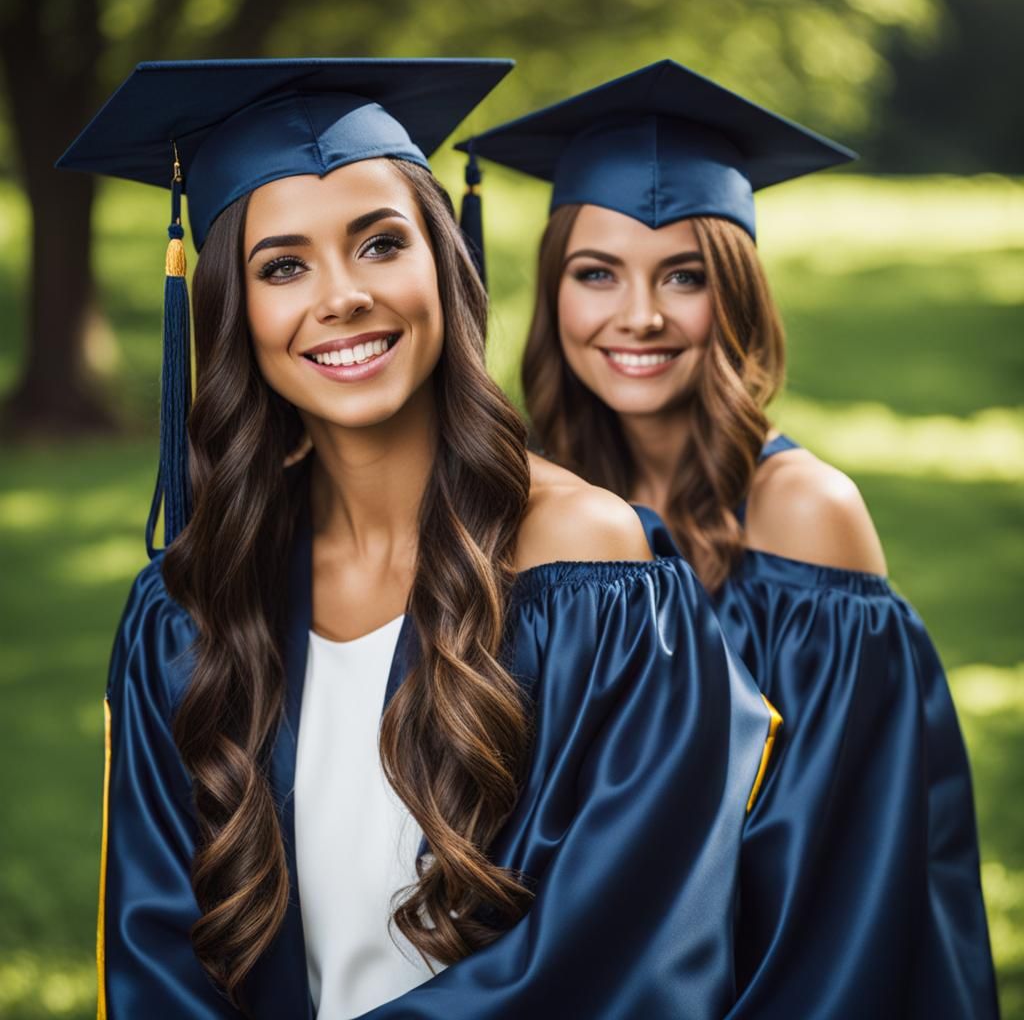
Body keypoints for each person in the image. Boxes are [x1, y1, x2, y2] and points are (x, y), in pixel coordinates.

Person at [59, 59, 776, 1019]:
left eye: (380, 243)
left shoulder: (590, 570)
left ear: (444, 262)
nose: (342, 295)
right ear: (235, 310)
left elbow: (618, 944)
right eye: (284, 266)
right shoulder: (192, 608)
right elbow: (156, 955)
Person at [462, 60, 1000, 1019]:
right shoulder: (535, 510)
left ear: (738, 296)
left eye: (686, 276)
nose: (640, 316)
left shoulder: (805, 517)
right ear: (554, 295)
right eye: (598, 274)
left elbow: (844, 885)